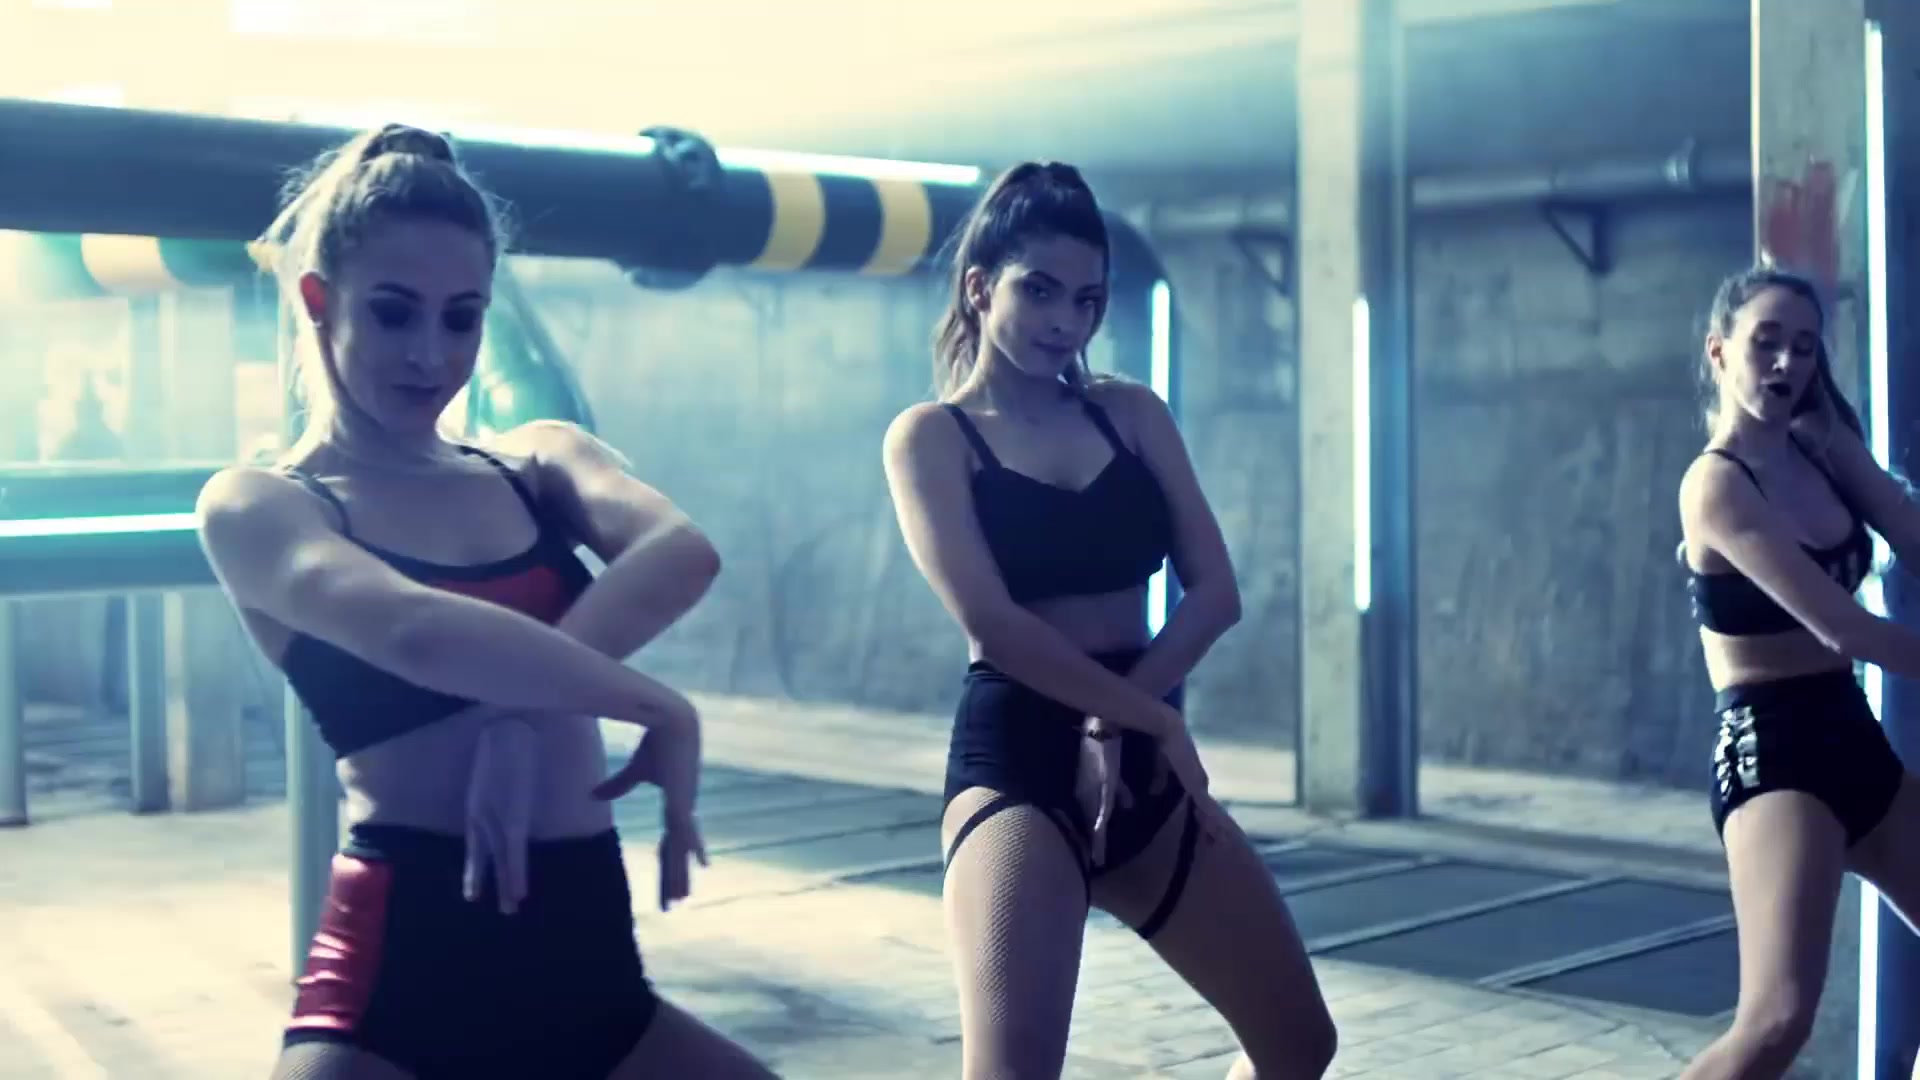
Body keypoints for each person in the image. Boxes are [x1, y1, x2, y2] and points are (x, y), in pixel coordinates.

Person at [194, 123, 777, 1080]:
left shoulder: (537, 462)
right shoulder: (264, 504)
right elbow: (415, 632)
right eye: (393, 314)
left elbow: (683, 553)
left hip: (589, 959)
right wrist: (658, 706)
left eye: (461, 318)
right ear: (319, 302)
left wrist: (516, 718)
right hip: (402, 969)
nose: (429, 353)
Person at [881, 161, 1338, 1080]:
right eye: (1039, 290)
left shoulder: (1131, 413)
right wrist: (1147, 717)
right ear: (980, 287)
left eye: (1087, 300)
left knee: (1298, 1045)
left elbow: (1216, 592)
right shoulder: (931, 437)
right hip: (1022, 767)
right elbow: (994, 624)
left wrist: (1123, 722)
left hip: (1142, 756)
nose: (1065, 321)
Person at [1676, 266, 1920, 1079]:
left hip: (1851, 733)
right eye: (1767, 343)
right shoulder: (1716, 486)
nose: (1787, 364)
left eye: (1805, 348)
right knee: (1776, 1021)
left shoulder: (1821, 451)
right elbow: (1843, 627)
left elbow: (1911, 535)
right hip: (1776, 754)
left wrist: (1850, 456)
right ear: (1720, 352)